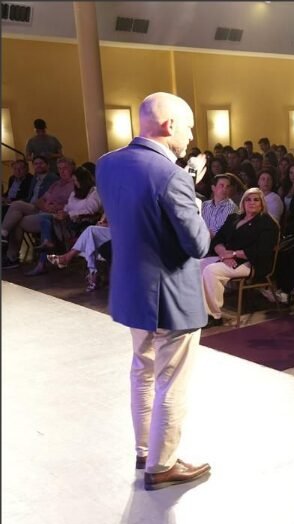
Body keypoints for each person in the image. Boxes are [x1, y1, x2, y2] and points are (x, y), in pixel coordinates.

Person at [95, 91, 212, 490]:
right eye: (190, 125)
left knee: (142, 371)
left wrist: (184, 182)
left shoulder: (107, 165)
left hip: (131, 288)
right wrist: (193, 193)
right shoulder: (173, 177)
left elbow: (139, 215)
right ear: (169, 126)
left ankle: (145, 449)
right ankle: (162, 466)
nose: (192, 133)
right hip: (170, 296)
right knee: (171, 380)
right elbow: (198, 244)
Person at [200, 187, 279, 324]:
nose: (252, 203)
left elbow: (261, 250)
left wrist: (234, 254)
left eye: (256, 200)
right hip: (226, 257)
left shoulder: (267, 223)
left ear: (262, 203)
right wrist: (224, 254)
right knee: (197, 265)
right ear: (243, 202)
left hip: (251, 262)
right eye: (248, 199)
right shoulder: (233, 218)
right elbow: (218, 239)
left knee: (211, 271)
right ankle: (198, 309)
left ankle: (214, 316)